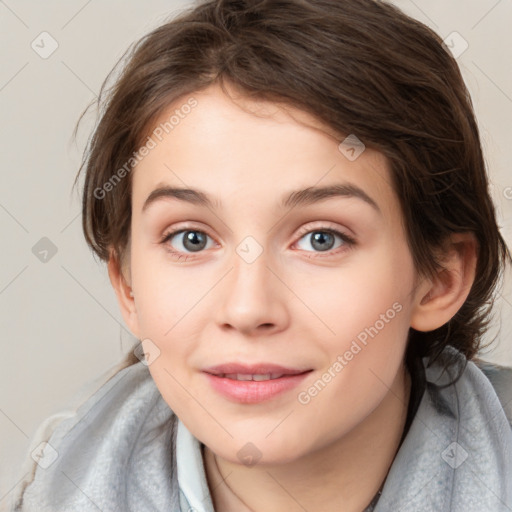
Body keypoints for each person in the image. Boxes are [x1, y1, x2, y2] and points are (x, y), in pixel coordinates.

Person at [10, 0, 512, 510]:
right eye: (192, 239)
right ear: (128, 286)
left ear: (440, 279)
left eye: (322, 238)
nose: (248, 309)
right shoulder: (57, 484)